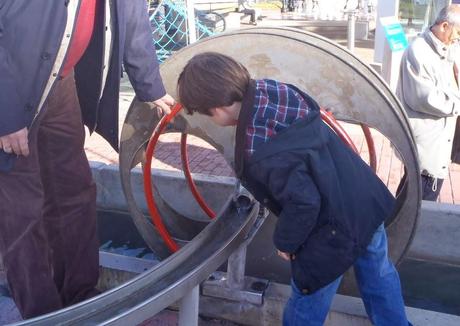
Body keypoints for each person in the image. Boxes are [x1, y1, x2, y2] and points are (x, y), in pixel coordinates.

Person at [177, 52, 410, 325]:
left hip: (331, 229)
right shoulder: (276, 91)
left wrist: (286, 242)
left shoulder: (260, 149)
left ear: (216, 108)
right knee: (378, 274)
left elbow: (305, 202)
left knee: (308, 295)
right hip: (363, 197)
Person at [0, 0, 173, 319]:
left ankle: (80, 298)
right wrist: (6, 114)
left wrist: (150, 86)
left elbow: (131, 16)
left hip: (59, 81)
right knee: (21, 210)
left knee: (74, 192)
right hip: (12, 86)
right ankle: (42, 314)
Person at [396, 4, 460, 201]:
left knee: (412, 194)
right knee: (420, 198)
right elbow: (425, 98)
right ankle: (396, 229)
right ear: (444, 26)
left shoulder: (448, 47)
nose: (458, 37)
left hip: (438, 140)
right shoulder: (419, 51)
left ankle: (392, 227)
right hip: (426, 142)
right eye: (458, 31)